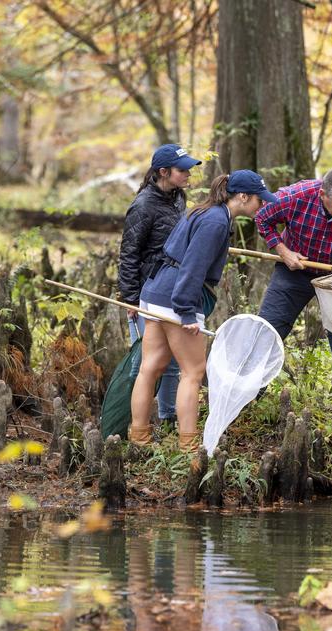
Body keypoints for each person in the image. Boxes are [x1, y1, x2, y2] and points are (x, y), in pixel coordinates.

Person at [128, 170, 278, 451]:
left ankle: (139, 438)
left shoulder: (205, 211)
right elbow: (192, 267)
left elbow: (175, 250)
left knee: (151, 367)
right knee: (193, 372)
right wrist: (186, 312)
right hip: (177, 298)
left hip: (155, 291)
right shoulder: (216, 222)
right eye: (259, 200)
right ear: (243, 197)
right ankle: (188, 445)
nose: (263, 205)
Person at [254, 168, 332, 417]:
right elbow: (262, 218)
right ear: (322, 194)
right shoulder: (295, 196)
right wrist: (283, 251)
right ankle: (243, 397)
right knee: (268, 331)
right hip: (295, 267)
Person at [118, 144, 202, 426]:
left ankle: (167, 419)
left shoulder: (178, 197)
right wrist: (130, 300)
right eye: (182, 170)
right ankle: (131, 423)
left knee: (174, 362)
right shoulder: (143, 206)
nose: (188, 174)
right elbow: (128, 255)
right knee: (148, 363)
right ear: (163, 172)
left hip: (171, 289)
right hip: (146, 292)